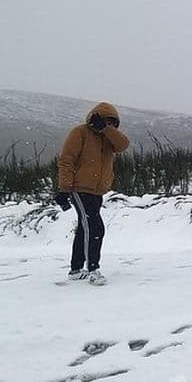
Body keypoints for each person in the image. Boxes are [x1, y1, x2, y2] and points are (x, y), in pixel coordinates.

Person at [55, 102, 129, 285]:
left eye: (113, 123)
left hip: (97, 191)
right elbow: (66, 161)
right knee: (95, 228)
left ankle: (75, 269)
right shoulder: (79, 133)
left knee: (84, 229)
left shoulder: (109, 139)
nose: (110, 125)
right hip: (80, 188)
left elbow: (123, 145)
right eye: (106, 121)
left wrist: (106, 130)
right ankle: (93, 269)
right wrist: (65, 189)